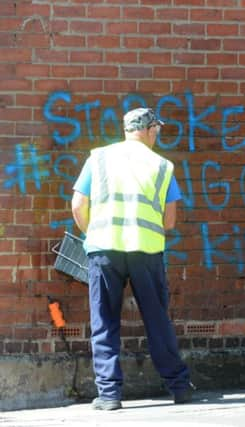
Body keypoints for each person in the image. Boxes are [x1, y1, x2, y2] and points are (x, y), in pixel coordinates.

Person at [71, 108, 194, 410]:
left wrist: (94, 232)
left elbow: (78, 204)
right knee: (157, 320)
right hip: (146, 251)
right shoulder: (163, 166)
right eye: (158, 130)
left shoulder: (98, 158)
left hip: (104, 250)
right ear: (151, 130)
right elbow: (169, 221)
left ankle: (110, 395)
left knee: (104, 321)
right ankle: (179, 387)